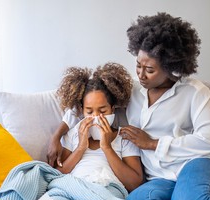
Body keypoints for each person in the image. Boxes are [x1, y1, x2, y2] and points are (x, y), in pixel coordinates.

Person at [48, 12, 210, 200]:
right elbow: (85, 105)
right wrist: (56, 136)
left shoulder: (194, 92)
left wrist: (152, 144)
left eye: (149, 70)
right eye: (138, 65)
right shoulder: (132, 91)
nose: (141, 74)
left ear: (170, 65)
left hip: (197, 165)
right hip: (159, 178)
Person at [55, 62, 144, 193]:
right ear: (82, 111)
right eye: (89, 112)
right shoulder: (73, 134)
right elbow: (58, 174)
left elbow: (134, 184)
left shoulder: (124, 138)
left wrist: (107, 147)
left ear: (112, 109)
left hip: (107, 192)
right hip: (75, 189)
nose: (96, 117)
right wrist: (80, 147)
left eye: (102, 111)